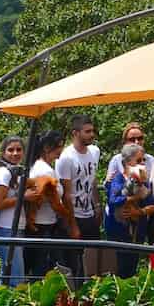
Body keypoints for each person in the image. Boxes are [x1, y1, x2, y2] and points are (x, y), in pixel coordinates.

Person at [24, 131, 76, 279]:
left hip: (45, 224)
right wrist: (68, 217)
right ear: (48, 148)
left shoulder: (42, 166)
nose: (61, 149)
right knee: (41, 267)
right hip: (42, 225)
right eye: (59, 146)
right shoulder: (44, 170)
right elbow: (52, 200)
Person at [57, 115, 103, 278]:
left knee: (94, 260)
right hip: (74, 214)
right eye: (87, 131)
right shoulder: (66, 158)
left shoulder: (94, 152)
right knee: (75, 263)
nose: (92, 134)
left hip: (90, 212)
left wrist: (97, 206)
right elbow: (66, 194)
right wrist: (72, 224)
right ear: (76, 133)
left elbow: (93, 180)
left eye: (92, 131)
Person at [105, 142, 154, 278]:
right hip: (119, 232)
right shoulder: (117, 179)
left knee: (131, 268)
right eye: (138, 161)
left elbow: (152, 204)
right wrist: (131, 198)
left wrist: (139, 212)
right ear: (128, 162)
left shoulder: (143, 182)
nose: (142, 164)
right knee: (120, 270)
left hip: (136, 233)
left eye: (143, 160)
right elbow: (113, 201)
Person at [0, 135, 26, 287]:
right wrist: (23, 197)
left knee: (9, 274)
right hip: (6, 228)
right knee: (15, 277)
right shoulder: (3, 173)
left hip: (16, 227)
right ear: (3, 153)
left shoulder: (17, 172)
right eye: (10, 150)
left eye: (19, 150)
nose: (15, 153)